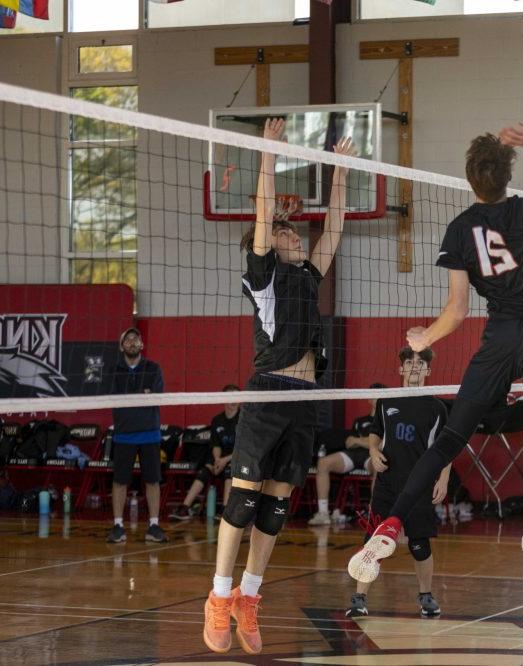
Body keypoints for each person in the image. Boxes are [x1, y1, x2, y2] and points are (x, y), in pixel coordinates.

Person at [348, 123, 523, 610]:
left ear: (469, 179)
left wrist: (425, 337)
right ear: (508, 175)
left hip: (499, 338)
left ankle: (390, 525)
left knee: (450, 438)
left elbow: (457, 310)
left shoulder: (460, 229)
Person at [202, 118, 356, 655]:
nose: (296, 234)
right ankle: (219, 597)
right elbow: (265, 213)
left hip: (305, 402)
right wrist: (268, 154)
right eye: (287, 233)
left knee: (275, 506)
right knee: (242, 501)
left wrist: (340, 171)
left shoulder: (308, 277)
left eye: (294, 233)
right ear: (266, 246)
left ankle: (249, 596)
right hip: (268, 392)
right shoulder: (262, 275)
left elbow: (334, 227)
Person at [348, 346, 451, 619]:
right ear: (401, 369)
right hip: (388, 483)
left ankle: (426, 596)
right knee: (374, 539)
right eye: (409, 362)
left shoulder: (437, 407)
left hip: (419, 484)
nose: (414, 366)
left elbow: (447, 447)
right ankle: (359, 598)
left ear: (428, 370)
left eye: (420, 363)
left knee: (419, 545)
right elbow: (375, 433)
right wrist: (372, 451)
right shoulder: (386, 401)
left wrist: (444, 477)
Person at [106, 327, 168, 545]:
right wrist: (142, 395)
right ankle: (118, 526)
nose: (132, 342)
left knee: (152, 481)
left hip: (149, 433)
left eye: (136, 339)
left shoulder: (153, 368)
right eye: (128, 339)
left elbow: (156, 397)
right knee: (120, 481)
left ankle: (153, 525)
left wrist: (139, 398)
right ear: (122, 346)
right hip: (124, 434)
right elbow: (114, 399)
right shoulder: (114, 370)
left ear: (141, 344)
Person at [307, 382, 385, 526]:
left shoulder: (386, 422)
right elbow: (349, 442)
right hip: (353, 455)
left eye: (380, 395)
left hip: (371, 457)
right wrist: (366, 441)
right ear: (368, 398)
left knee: (378, 466)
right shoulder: (359, 421)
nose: (377, 398)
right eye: (374, 395)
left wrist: (360, 440)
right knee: (323, 463)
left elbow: (379, 445)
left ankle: (375, 514)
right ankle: (323, 513)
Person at [170, 385, 241, 521]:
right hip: (220, 457)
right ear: (223, 399)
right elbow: (215, 444)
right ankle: (185, 507)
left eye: (236, 397)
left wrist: (224, 460)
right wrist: (217, 459)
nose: (233, 401)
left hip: (237, 457)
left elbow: (244, 447)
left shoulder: (244, 419)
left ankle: (225, 510)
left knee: (229, 470)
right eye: (230, 397)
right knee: (204, 471)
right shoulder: (217, 420)